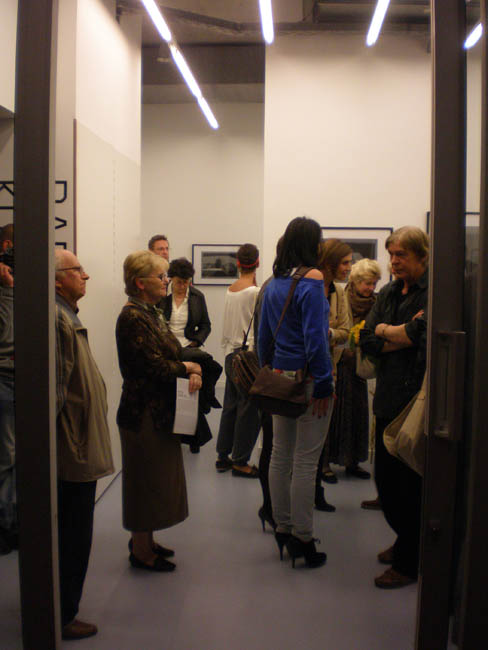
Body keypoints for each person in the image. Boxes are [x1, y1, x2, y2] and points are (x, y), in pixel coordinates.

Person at [115, 250, 202, 572]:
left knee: (154, 480)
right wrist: (187, 366)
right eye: (161, 276)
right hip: (142, 413)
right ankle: (140, 550)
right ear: (140, 283)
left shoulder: (149, 312)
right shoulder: (132, 317)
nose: (167, 281)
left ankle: (146, 540)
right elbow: (151, 366)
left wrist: (186, 364)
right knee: (144, 481)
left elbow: (169, 352)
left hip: (156, 411)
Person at [258, 217, 334, 568]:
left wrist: (270, 370)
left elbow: (264, 336)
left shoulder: (275, 281)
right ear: (312, 244)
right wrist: (324, 382)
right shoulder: (312, 279)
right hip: (308, 381)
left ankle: (283, 528)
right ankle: (303, 537)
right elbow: (315, 338)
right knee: (305, 461)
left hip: (280, 377)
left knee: (280, 455)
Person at [360, 226, 428, 589]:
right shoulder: (388, 292)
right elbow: (366, 339)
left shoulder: (433, 292)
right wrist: (397, 333)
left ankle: (408, 562)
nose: (394, 261)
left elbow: (424, 336)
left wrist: (386, 331)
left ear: (422, 255)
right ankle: (406, 541)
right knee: (385, 483)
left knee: (409, 486)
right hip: (387, 397)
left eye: (401, 254)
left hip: (415, 401)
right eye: (392, 254)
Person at [55, 248, 115, 640]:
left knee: (75, 532)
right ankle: (61, 614)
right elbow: (55, 393)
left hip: (75, 442)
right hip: (71, 447)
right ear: (57, 279)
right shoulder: (58, 320)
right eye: (78, 270)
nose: (86, 275)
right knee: (74, 534)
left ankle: (60, 607)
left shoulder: (67, 316)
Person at [159, 257, 222, 452]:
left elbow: (206, 325)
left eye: (186, 282)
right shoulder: (161, 296)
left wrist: (196, 341)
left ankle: (194, 433)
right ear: (171, 279)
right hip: (166, 348)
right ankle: (181, 434)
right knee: (173, 392)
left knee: (197, 383)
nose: (182, 286)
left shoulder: (197, 297)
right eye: (179, 282)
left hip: (188, 348)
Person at [328, 258, 382, 479]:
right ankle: (325, 463)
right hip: (339, 361)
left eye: (374, 283)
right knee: (334, 414)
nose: (371, 288)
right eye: (367, 283)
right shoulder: (341, 296)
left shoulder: (377, 303)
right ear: (356, 281)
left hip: (360, 365)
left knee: (357, 414)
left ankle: (352, 461)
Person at [215, 244, 261, 478]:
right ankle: (240, 461)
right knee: (249, 410)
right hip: (248, 355)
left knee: (231, 406)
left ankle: (223, 456)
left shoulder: (230, 290)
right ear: (257, 263)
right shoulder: (255, 292)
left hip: (230, 354)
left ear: (238, 263)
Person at [314, 239, 352, 504]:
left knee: (320, 434)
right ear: (329, 263)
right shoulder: (309, 287)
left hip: (330, 371)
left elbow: (345, 331)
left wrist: (326, 333)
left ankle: (317, 493)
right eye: (345, 262)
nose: (349, 268)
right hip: (304, 374)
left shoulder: (339, 292)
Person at [0, 224, 16, 554]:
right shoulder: (6, 290)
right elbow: (8, 337)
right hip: (5, 380)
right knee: (7, 457)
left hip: (20, 380)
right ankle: (5, 527)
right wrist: (8, 291)